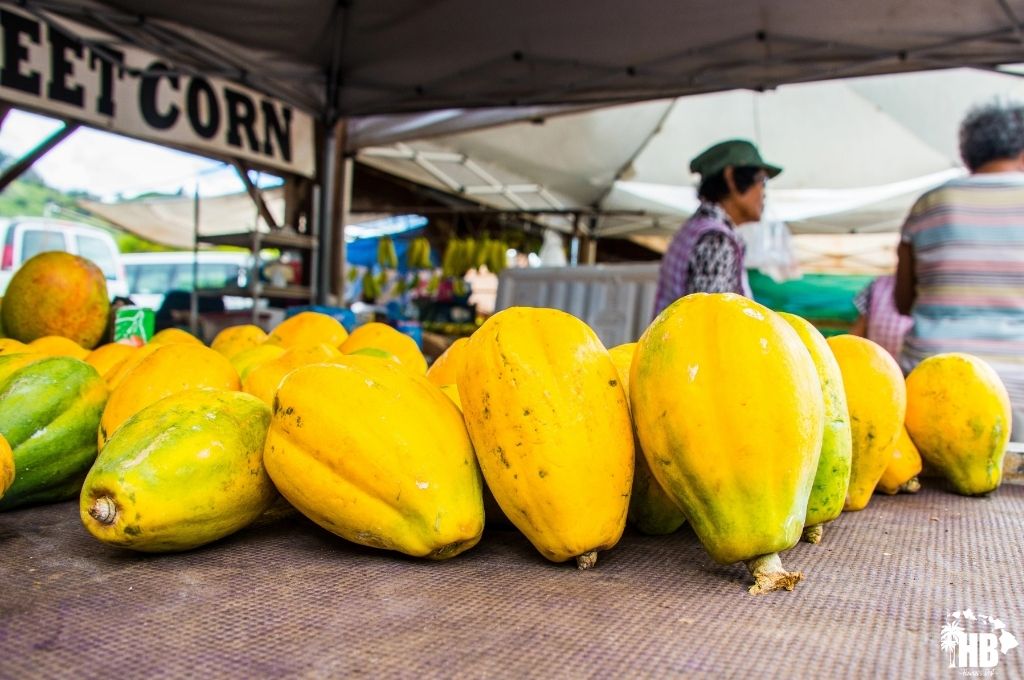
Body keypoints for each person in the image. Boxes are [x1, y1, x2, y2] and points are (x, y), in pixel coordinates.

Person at [895, 101, 1024, 441]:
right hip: (1018, 384)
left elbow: (902, 301)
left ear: (969, 152)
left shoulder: (928, 204)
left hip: (930, 378)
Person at [653, 139, 781, 317]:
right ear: (731, 178)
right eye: (761, 180)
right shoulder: (716, 240)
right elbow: (712, 322)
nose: (764, 192)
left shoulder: (695, 227)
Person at [850, 274, 913, 362]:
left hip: (917, 370)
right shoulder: (878, 285)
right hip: (874, 367)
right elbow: (856, 335)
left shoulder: (930, 290)